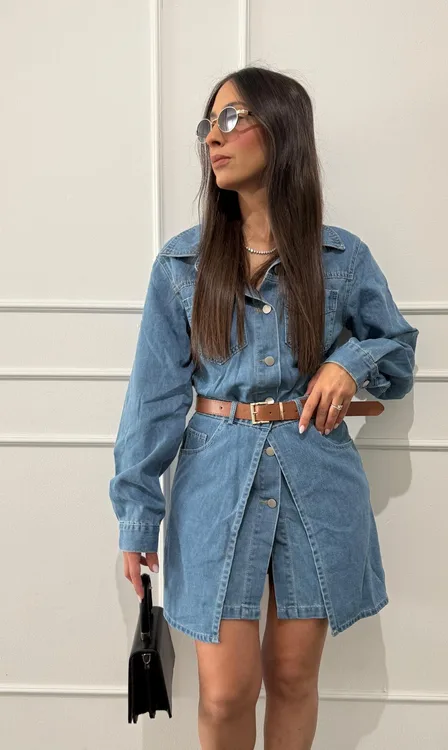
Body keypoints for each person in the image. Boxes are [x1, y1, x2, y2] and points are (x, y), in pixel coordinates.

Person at [109, 65, 419, 750]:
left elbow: (398, 359)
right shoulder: (182, 266)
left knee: (292, 677)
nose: (212, 140)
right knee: (225, 693)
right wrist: (137, 515)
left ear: (280, 130)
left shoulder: (342, 258)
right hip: (215, 477)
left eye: (231, 119)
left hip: (317, 473)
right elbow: (153, 399)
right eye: (207, 125)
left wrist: (349, 362)